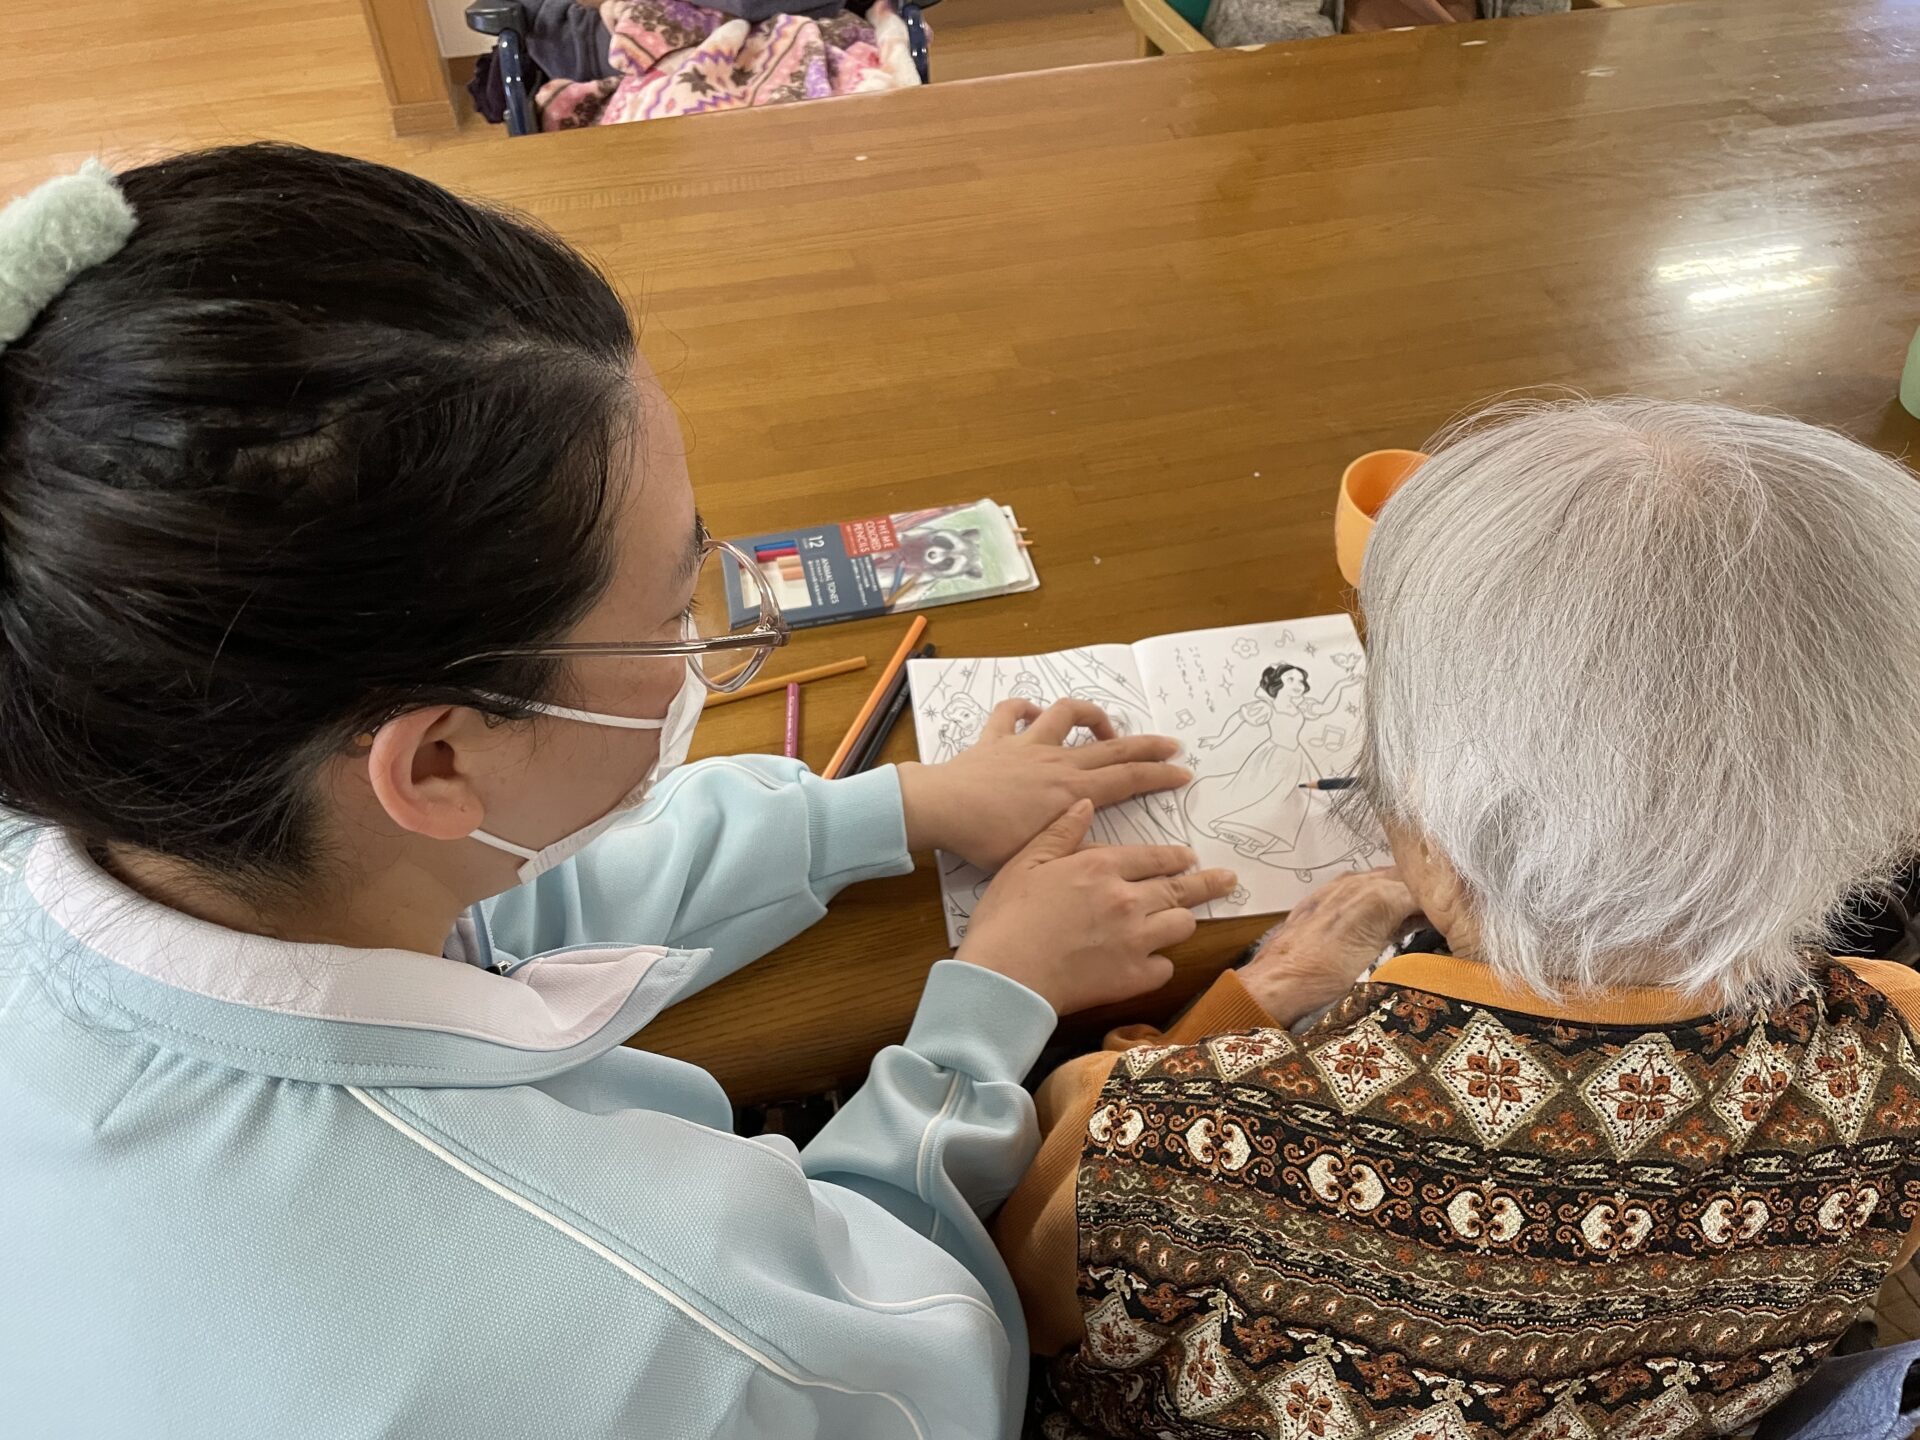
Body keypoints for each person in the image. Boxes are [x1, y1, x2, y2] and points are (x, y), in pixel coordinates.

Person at [0, 147, 1238, 1439]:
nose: (703, 641)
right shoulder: (679, 1333)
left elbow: (478, 896)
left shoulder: (111, 767)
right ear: (437, 762)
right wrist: (988, 1010)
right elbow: (902, 1352)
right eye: (671, 610)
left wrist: (891, 811)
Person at [995, 398, 1920, 1439]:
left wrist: (1249, 1000)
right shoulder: (1902, 1044)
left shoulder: (1147, 1134)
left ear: (1429, 823)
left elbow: (1010, 1313)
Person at [1184, 659, 1360, 865]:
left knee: (1287, 803)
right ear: (1278, 683)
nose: (1298, 684)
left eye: (1301, 681)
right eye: (1291, 679)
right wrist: (1218, 738)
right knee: (1262, 797)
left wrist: (1341, 685)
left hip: (1295, 759)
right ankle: (1243, 832)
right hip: (1272, 758)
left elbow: (1324, 708)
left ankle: (1259, 843)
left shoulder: (1302, 705)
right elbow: (1239, 718)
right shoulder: (1268, 707)